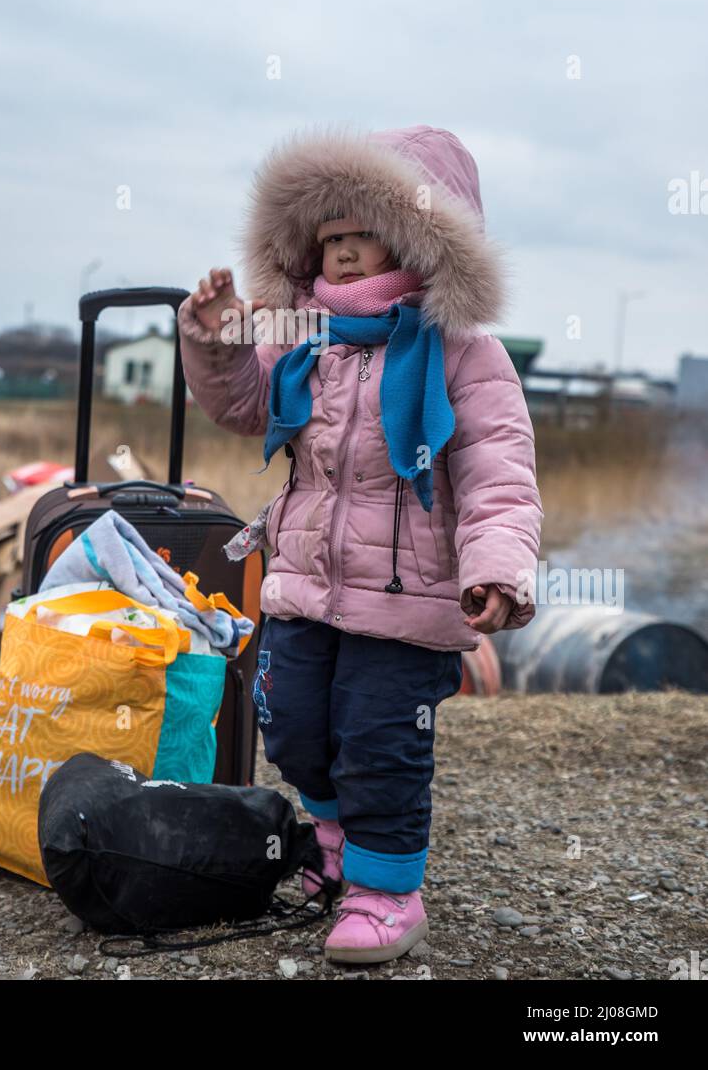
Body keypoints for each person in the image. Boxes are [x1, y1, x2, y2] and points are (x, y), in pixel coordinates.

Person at [176, 123, 543, 966]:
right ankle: (336, 843)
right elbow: (243, 406)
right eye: (329, 239)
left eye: (361, 236)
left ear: (419, 241)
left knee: (381, 742)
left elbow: (498, 473)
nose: (341, 255)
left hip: (409, 599)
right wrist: (218, 340)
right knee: (294, 727)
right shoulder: (306, 342)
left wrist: (494, 567)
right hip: (305, 585)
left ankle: (385, 893)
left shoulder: (463, 355)